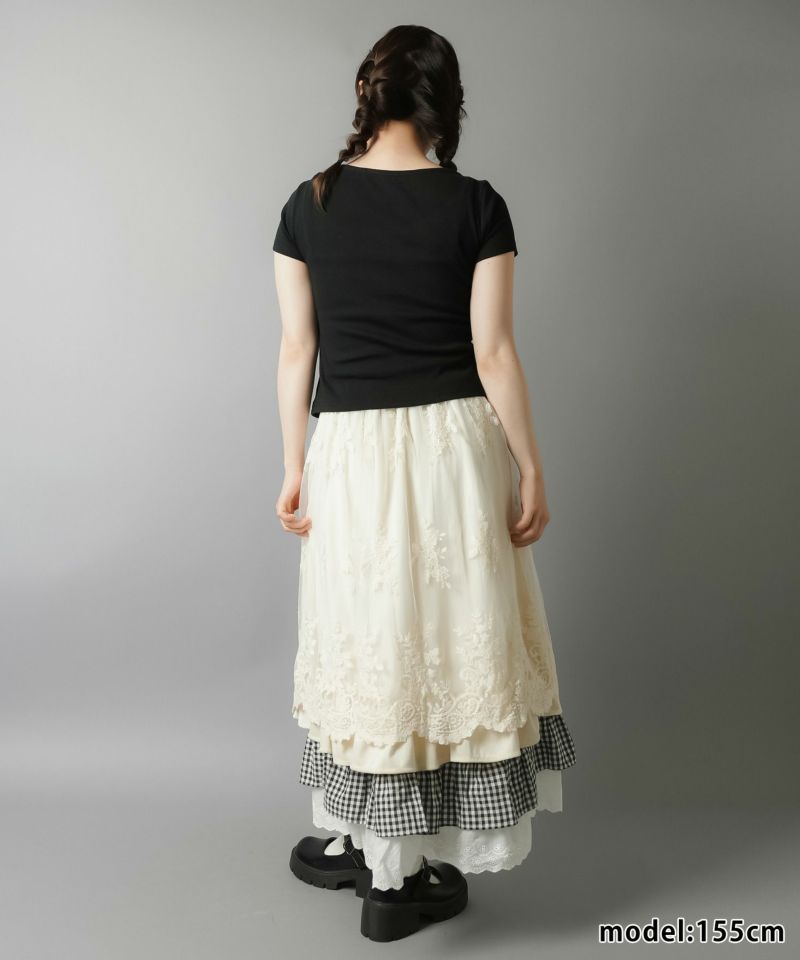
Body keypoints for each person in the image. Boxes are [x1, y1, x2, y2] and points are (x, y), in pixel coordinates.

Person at [272, 23, 576, 943]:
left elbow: (296, 351)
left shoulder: (309, 203)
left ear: (366, 96)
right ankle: (395, 874)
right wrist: (531, 464)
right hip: (451, 450)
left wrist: (294, 466)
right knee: (446, 639)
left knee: (369, 638)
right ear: (445, 104)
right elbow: (494, 353)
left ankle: (375, 849)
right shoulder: (476, 205)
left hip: (350, 452)